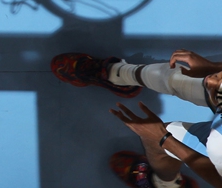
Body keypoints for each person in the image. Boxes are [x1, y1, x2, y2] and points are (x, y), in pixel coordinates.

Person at [52, 50, 222, 188]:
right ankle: (118, 75)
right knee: (175, 78)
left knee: (162, 139)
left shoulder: (217, 145)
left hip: (218, 148)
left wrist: (163, 139)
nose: (212, 80)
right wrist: (213, 67)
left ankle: (165, 184)